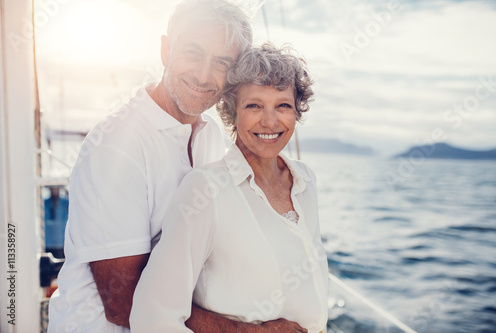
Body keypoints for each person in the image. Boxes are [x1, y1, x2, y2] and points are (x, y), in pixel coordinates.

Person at [48, 0, 308, 331]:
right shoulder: (117, 146)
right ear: (166, 50)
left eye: (221, 62)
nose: (203, 74)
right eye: (193, 53)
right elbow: (123, 304)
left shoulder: (210, 135)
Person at [130, 43, 329, 333]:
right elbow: (152, 317)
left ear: (297, 111)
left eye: (283, 105)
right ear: (231, 113)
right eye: (254, 106)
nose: (270, 121)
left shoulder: (305, 180)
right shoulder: (206, 189)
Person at [44, 186, 69, 259]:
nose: (54, 190)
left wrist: (67, 192)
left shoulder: (66, 202)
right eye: (52, 188)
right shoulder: (44, 203)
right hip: (48, 243)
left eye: (56, 188)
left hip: (62, 243)